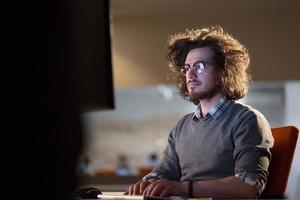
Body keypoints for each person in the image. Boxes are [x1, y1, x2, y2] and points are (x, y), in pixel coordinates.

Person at [126, 25, 274, 199]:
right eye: (187, 68)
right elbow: (163, 173)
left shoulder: (247, 119)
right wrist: (148, 183)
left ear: (224, 71)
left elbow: (247, 187)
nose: (190, 75)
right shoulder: (182, 126)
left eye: (200, 66)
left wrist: (181, 188)